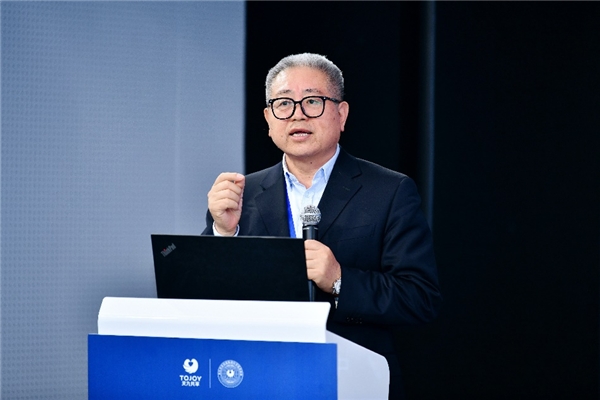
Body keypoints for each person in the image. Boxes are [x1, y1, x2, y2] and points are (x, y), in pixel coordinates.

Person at [202, 53, 441, 399]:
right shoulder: (241, 194)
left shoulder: (390, 191)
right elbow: (202, 301)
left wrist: (340, 280)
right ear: (268, 119)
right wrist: (224, 233)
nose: (297, 114)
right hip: (257, 378)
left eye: (312, 101)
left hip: (352, 382)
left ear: (341, 114)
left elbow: (420, 298)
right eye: (284, 103)